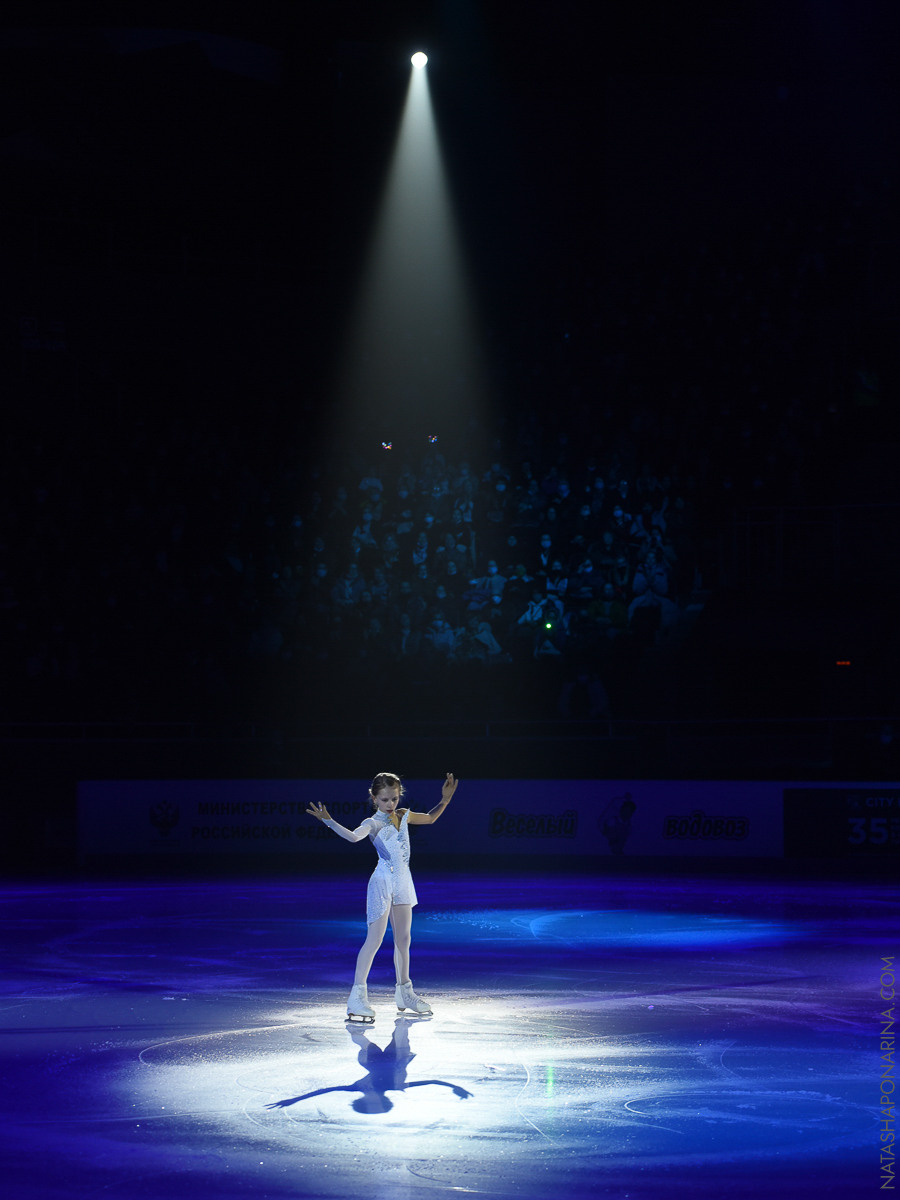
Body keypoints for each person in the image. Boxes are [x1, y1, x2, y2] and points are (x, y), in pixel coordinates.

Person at [306, 772, 459, 1023]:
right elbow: (355, 836)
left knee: (404, 939)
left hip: (403, 882)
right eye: (385, 799)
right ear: (374, 798)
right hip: (382, 883)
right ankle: (356, 998)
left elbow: (430, 818)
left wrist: (445, 800)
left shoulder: (403, 815)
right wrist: (330, 821)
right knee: (374, 940)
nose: (391, 804)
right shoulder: (373, 822)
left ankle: (405, 994)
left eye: (395, 799)